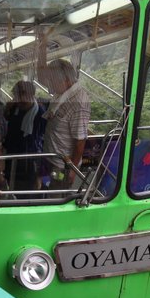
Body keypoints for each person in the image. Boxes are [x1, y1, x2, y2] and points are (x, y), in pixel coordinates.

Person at [37, 35, 91, 190]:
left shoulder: (78, 102)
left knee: (55, 194)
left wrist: (72, 171)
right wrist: (42, 49)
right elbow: (41, 77)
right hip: (50, 158)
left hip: (62, 166)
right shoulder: (62, 93)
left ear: (66, 80)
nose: (50, 86)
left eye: (52, 82)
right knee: (45, 189)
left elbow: (80, 140)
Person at [2, 81, 46, 194]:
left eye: (18, 96)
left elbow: (42, 138)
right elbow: (7, 120)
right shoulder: (15, 107)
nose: (16, 98)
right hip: (12, 154)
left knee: (27, 190)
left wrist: (40, 173)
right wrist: (7, 108)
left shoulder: (40, 112)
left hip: (30, 158)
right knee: (10, 186)